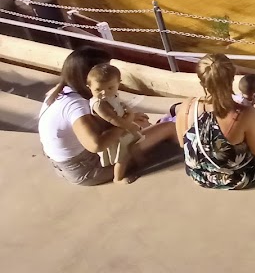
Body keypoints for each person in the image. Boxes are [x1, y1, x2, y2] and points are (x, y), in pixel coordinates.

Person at [38, 47, 176, 186]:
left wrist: (129, 119)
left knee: (143, 125)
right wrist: (125, 123)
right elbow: (96, 145)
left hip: (65, 165)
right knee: (167, 128)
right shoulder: (76, 106)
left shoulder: (60, 91)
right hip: (88, 169)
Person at [175, 54, 255, 190]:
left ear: (202, 81)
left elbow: (182, 144)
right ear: (232, 78)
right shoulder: (245, 113)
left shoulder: (187, 106)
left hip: (199, 176)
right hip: (236, 178)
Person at [88, 63, 143, 184]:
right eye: (98, 89)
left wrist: (129, 112)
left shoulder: (112, 96)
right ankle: (117, 178)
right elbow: (116, 121)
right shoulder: (99, 104)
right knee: (122, 157)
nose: (104, 93)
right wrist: (131, 118)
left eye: (110, 88)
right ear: (89, 86)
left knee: (133, 147)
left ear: (119, 84)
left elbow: (119, 106)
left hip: (123, 129)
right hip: (114, 135)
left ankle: (141, 162)